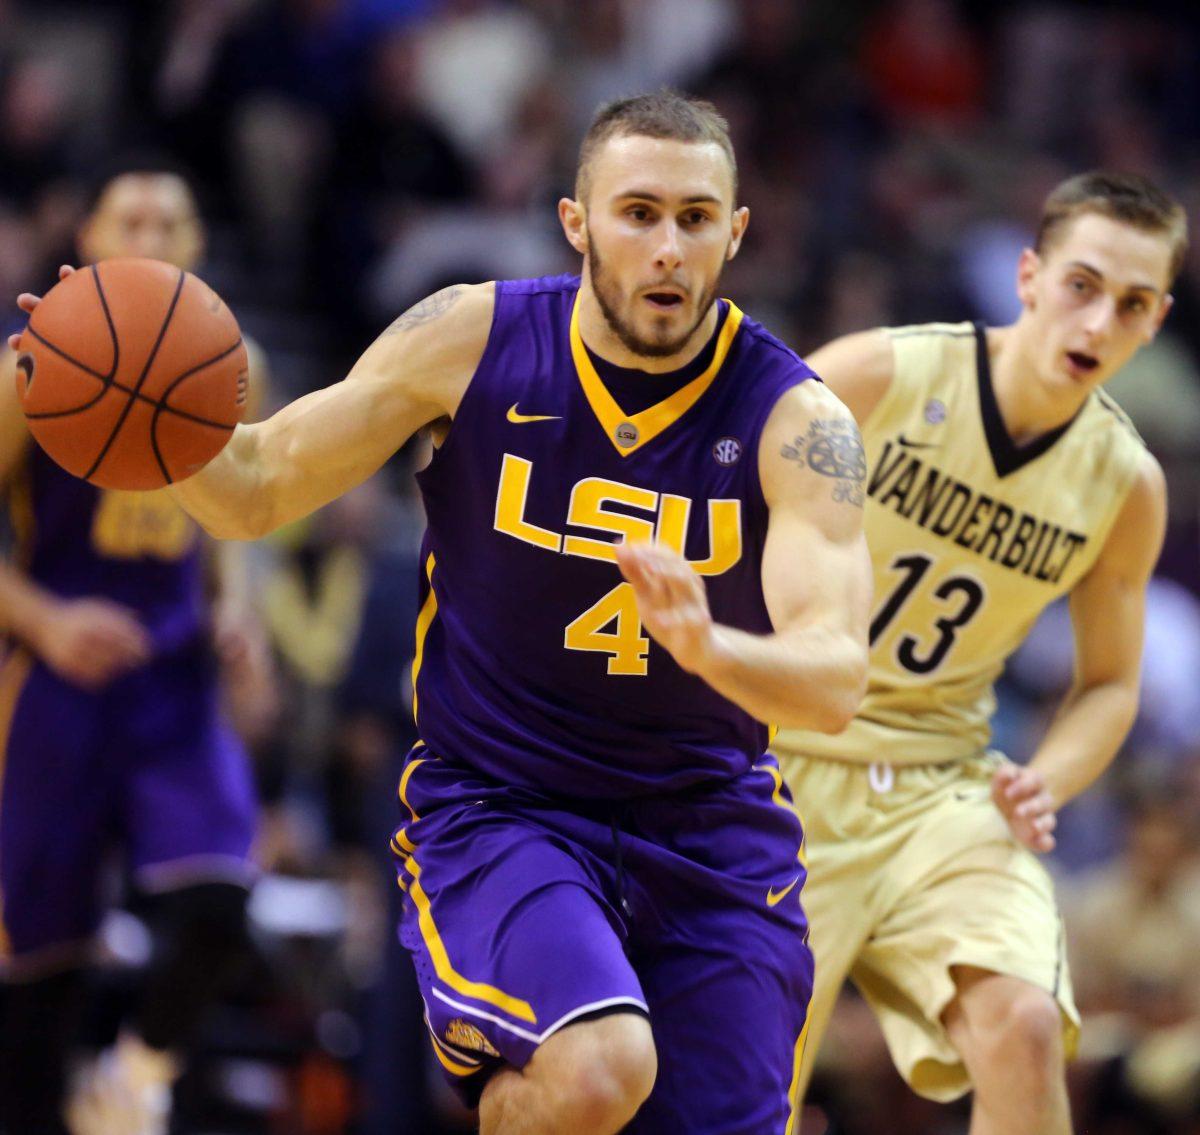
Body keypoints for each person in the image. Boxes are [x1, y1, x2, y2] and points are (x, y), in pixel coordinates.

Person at [17, 92, 873, 1133]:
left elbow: (834, 678)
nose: (666, 248)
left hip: (711, 828)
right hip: (505, 807)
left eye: (695, 219)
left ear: (735, 233)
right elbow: (257, 486)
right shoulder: (472, 335)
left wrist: (712, 644)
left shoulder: (796, 418)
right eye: (637, 212)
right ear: (575, 221)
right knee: (603, 1066)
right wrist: (134, 391)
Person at [773, 170, 1182, 1135]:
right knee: (751, 1100)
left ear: (1157, 319)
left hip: (940, 783)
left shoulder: (1126, 484)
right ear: (1029, 275)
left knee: (1024, 1024)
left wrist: (1050, 777)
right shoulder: (877, 374)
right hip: (774, 762)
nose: (1098, 322)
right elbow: (716, 512)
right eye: (1082, 285)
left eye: (1130, 303)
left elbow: (1111, 684)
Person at [0, 161, 270, 1135]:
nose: (151, 237)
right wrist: (41, 620)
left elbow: (236, 519)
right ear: (92, 243)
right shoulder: (23, 369)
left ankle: (135, 1075)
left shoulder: (235, 365)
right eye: (132, 219)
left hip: (176, 678)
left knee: (219, 907)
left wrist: (237, 606)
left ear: (196, 247)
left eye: (171, 221)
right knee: (38, 978)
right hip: (57, 683)